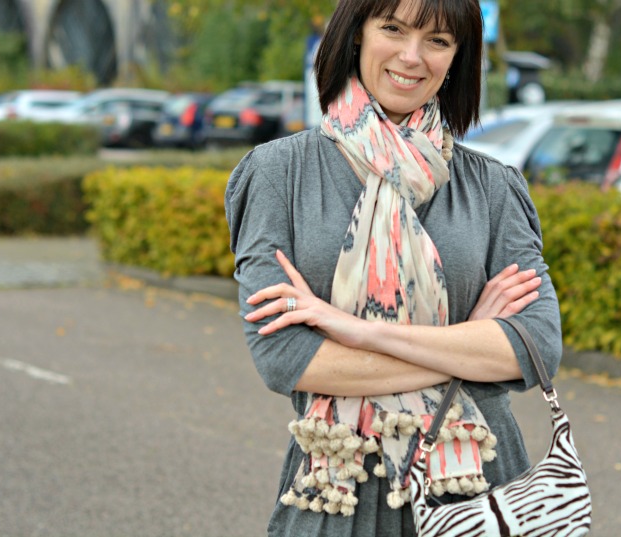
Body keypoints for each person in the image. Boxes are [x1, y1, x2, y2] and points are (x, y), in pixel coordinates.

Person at [225, 0, 562, 535]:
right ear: (356, 34)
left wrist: (357, 333)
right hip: (337, 497)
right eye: (393, 28)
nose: (412, 55)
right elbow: (285, 356)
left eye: (438, 40)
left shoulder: (493, 187)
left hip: (480, 490)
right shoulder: (276, 175)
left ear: (458, 58)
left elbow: (537, 346)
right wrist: (471, 349)